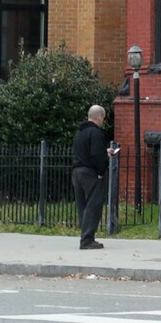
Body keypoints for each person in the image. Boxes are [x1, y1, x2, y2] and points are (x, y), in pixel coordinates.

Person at [71, 103, 113, 250]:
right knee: (93, 204)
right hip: (90, 173)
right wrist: (101, 172)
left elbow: (86, 152)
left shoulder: (80, 133)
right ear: (100, 117)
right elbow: (96, 155)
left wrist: (103, 152)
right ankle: (87, 239)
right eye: (103, 118)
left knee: (82, 205)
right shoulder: (95, 133)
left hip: (77, 172)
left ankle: (85, 236)